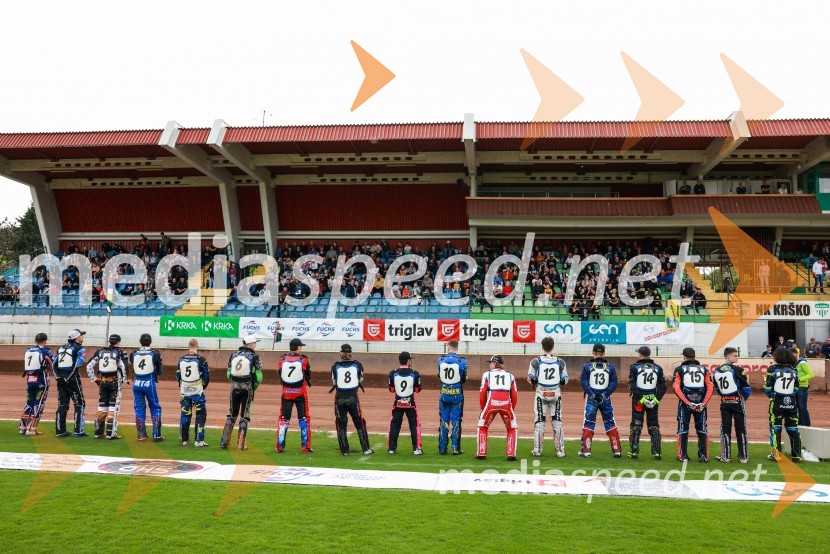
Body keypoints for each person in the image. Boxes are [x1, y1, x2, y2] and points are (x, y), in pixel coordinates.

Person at [578, 343, 622, 458]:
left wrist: (592, 394)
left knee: (589, 422)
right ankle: (617, 450)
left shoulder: (586, 366)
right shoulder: (610, 367)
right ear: (604, 353)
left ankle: (586, 451)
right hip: (605, 399)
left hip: (592, 399)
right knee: (610, 422)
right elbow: (614, 383)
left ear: (593, 352)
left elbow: (584, 382)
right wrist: (604, 394)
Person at [527, 337, 568, 458]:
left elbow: (531, 379)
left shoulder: (535, 361)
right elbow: (565, 380)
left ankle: (537, 450)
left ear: (542, 347)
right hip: (556, 394)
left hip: (541, 394)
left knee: (539, 421)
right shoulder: (560, 362)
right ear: (553, 347)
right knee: (557, 421)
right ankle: (560, 450)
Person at [672, 347, 714, 462]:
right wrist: (703, 403)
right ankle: (703, 456)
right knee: (702, 429)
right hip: (700, 404)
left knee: (682, 428)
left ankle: (682, 456)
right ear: (694, 356)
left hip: (685, 404)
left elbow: (675, 387)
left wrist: (687, 402)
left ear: (684, 357)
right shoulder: (704, 369)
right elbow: (710, 387)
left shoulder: (679, 369)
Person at [222, 336, 263, 450]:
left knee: (231, 415)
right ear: (250, 345)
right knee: (245, 417)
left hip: (234, 388)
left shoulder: (233, 355)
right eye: (254, 343)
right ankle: (240, 445)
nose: (255, 345)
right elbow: (259, 377)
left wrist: (235, 383)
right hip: (247, 389)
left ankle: (224, 442)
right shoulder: (255, 357)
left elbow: (229, 373)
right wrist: (253, 387)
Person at [331, 343, 372, 456]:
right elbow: (360, 379)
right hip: (353, 398)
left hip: (340, 399)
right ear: (350, 353)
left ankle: (344, 450)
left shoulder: (335, 366)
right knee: (360, 422)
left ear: (341, 353)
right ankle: (365, 448)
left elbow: (334, 381)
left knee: (341, 423)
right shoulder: (357, 365)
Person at [712, 347, 751, 463]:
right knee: (741, 428)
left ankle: (726, 456)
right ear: (728, 357)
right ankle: (743, 456)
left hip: (724, 402)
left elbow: (717, 388)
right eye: (735, 355)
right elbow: (747, 387)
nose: (737, 357)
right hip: (737, 401)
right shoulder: (738, 370)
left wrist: (725, 395)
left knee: (725, 429)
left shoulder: (716, 371)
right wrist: (743, 399)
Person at [86, 334, 128, 440]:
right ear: (118, 342)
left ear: (110, 341)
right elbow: (123, 366)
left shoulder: (100, 351)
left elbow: (89, 366)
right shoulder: (120, 351)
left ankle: (98, 432)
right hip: (115, 381)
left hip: (103, 381)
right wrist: (125, 379)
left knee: (102, 406)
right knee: (114, 407)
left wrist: (94, 378)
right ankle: (111, 433)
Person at [627, 346, 667, 460]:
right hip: (653, 399)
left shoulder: (634, 367)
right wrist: (655, 399)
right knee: (653, 424)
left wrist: (642, 398)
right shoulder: (658, 368)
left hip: (639, 400)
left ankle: (634, 451)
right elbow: (663, 386)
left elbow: (632, 385)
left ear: (640, 355)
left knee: (636, 424)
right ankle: (657, 452)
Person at [476, 355, 518, 461]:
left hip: (491, 404)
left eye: (491, 362)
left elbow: (482, 393)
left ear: (495, 363)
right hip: (506, 404)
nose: (490, 364)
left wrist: (483, 408)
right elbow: (514, 395)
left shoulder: (487, 374)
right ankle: (511, 454)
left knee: (482, 426)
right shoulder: (510, 376)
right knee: (512, 428)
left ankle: (481, 453)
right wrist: (511, 408)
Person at [765, 348, 802, 463]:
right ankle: (797, 456)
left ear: (777, 357)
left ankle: (776, 455)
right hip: (791, 403)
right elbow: (796, 388)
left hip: (777, 403)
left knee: (775, 428)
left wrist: (773, 396)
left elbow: (767, 388)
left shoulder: (772, 369)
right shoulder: (793, 370)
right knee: (793, 429)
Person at [276, 338, 313, 453]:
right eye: (301, 346)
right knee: (304, 418)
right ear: (298, 347)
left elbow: (280, 374)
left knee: (284, 418)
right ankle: (305, 446)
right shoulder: (304, 360)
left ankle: (280, 446)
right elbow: (308, 375)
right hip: (300, 393)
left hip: (286, 393)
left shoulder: (282, 359)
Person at [387, 351, 423, 455]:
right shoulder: (415, 373)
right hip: (410, 404)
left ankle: (391, 448)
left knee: (395, 424)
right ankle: (416, 448)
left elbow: (392, 390)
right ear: (408, 361)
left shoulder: (392, 373)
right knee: (414, 425)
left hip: (398, 403)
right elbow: (417, 390)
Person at [130, 333, 164, 441]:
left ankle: (141, 434)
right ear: (150, 342)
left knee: (139, 409)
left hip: (137, 382)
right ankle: (156, 434)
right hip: (149, 382)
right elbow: (159, 369)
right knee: (155, 407)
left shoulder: (134, 353)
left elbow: (132, 362)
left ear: (140, 341)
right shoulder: (155, 353)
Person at [54, 329, 88, 438]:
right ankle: (79, 431)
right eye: (81, 335)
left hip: (60, 380)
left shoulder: (61, 348)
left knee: (63, 404)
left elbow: (54, 365)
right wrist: (68, 378)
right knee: (79, 404)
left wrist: (58, 377)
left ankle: (60, 431)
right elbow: (77, 366)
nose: (83, 337)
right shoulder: (80, 349)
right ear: (77, 338)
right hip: (72, 380)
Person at [177, 339, 210, 447]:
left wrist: (182, 386)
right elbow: (206, 376)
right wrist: (202, 386)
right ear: (197, 346)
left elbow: (178, 375)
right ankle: (199, 441)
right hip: (197, 392)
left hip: (184, 391)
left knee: (185, 414)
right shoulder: (201, 359)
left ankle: (184, 439)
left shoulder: (181, 359)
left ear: (188, 346)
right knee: (200, 414)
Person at [438, 340, 468, 455]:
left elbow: (439, 375)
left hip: (444, 395)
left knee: (444, 420)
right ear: (457, 348)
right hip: (457, 395)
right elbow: (464, 379)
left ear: (448, 348)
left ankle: (442, 448)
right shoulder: (462, 361)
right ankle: (455, 448)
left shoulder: (440, 360)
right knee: (456, 421)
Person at [20, 333, 53, 436]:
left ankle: (23, 427)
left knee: (29, 402)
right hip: (41, 380)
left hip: (30, 380)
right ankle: (31, 428)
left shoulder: (28, 350)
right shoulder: (45, 351)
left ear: (35, 340)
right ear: (45, 341)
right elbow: (52, 363)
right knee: (39, 404)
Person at [793, 348, 814, 427]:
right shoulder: (792, 363)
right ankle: (801, 424)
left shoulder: (802, 363)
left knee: (802, 407)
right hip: (795, 387)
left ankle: (807, 425)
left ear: (796, 353)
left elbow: (811, 374)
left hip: (802, 386)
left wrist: (799, 379)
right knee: (797, 407)